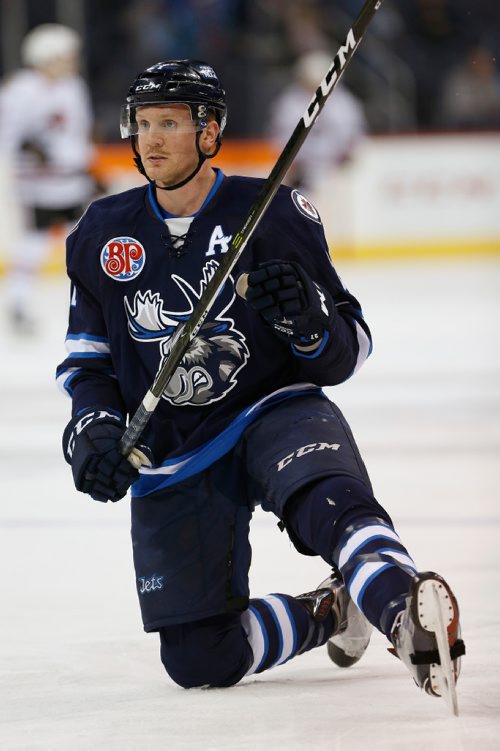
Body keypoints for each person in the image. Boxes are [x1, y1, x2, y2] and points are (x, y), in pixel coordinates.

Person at [56, 60, 464, 706]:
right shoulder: (104, 234)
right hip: (175, 447)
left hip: (270, 408)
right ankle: (332, 610)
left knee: (330, 502)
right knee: (199, 657)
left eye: (170, 123)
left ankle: (401, 613)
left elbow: (349, 346)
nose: (152, 139)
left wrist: (309, 322)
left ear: (211, 130)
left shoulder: (273, 214)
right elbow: (88, 365)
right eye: (143, 123)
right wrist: (93, 431)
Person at [0, 23, 95, 333]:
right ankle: (19, 303)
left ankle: (94, 303)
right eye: (66, 55)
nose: (72, 60)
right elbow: (9, 135)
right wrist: (29, 147)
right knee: (34, 243)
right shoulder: (21, 89)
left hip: (71, 180)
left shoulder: (72, 86)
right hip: (39, 183)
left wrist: (90, 168)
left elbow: (78, 133)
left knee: (84, 241)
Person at [269, 50, 367, 191]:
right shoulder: (289, 102)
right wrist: (294, 165)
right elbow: (279, 137)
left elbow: (355, 135)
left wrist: (345, 157)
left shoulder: (344, 102)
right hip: (300, 175)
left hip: (336, 174)